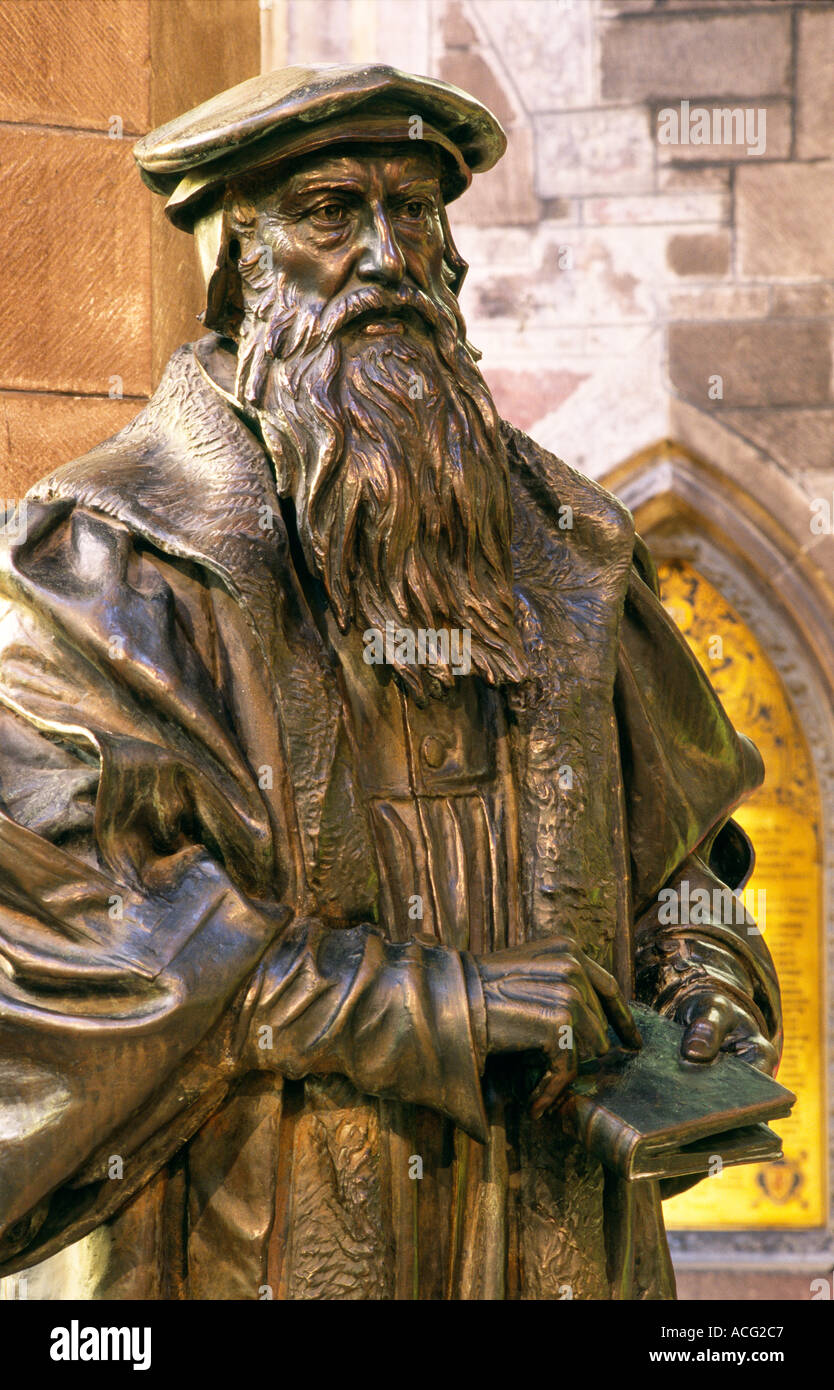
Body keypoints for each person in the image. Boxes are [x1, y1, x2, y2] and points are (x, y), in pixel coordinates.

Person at [0, 64, 780, 1300]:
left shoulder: (564, 541)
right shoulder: (109, 554)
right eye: (329, 213)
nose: (383, 255)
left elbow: (686, 866)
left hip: (554, 1232)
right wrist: (434, 1007)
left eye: (414, 213)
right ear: (239, 257)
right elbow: (92, 934)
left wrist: (705, 986)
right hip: (260, 1235)